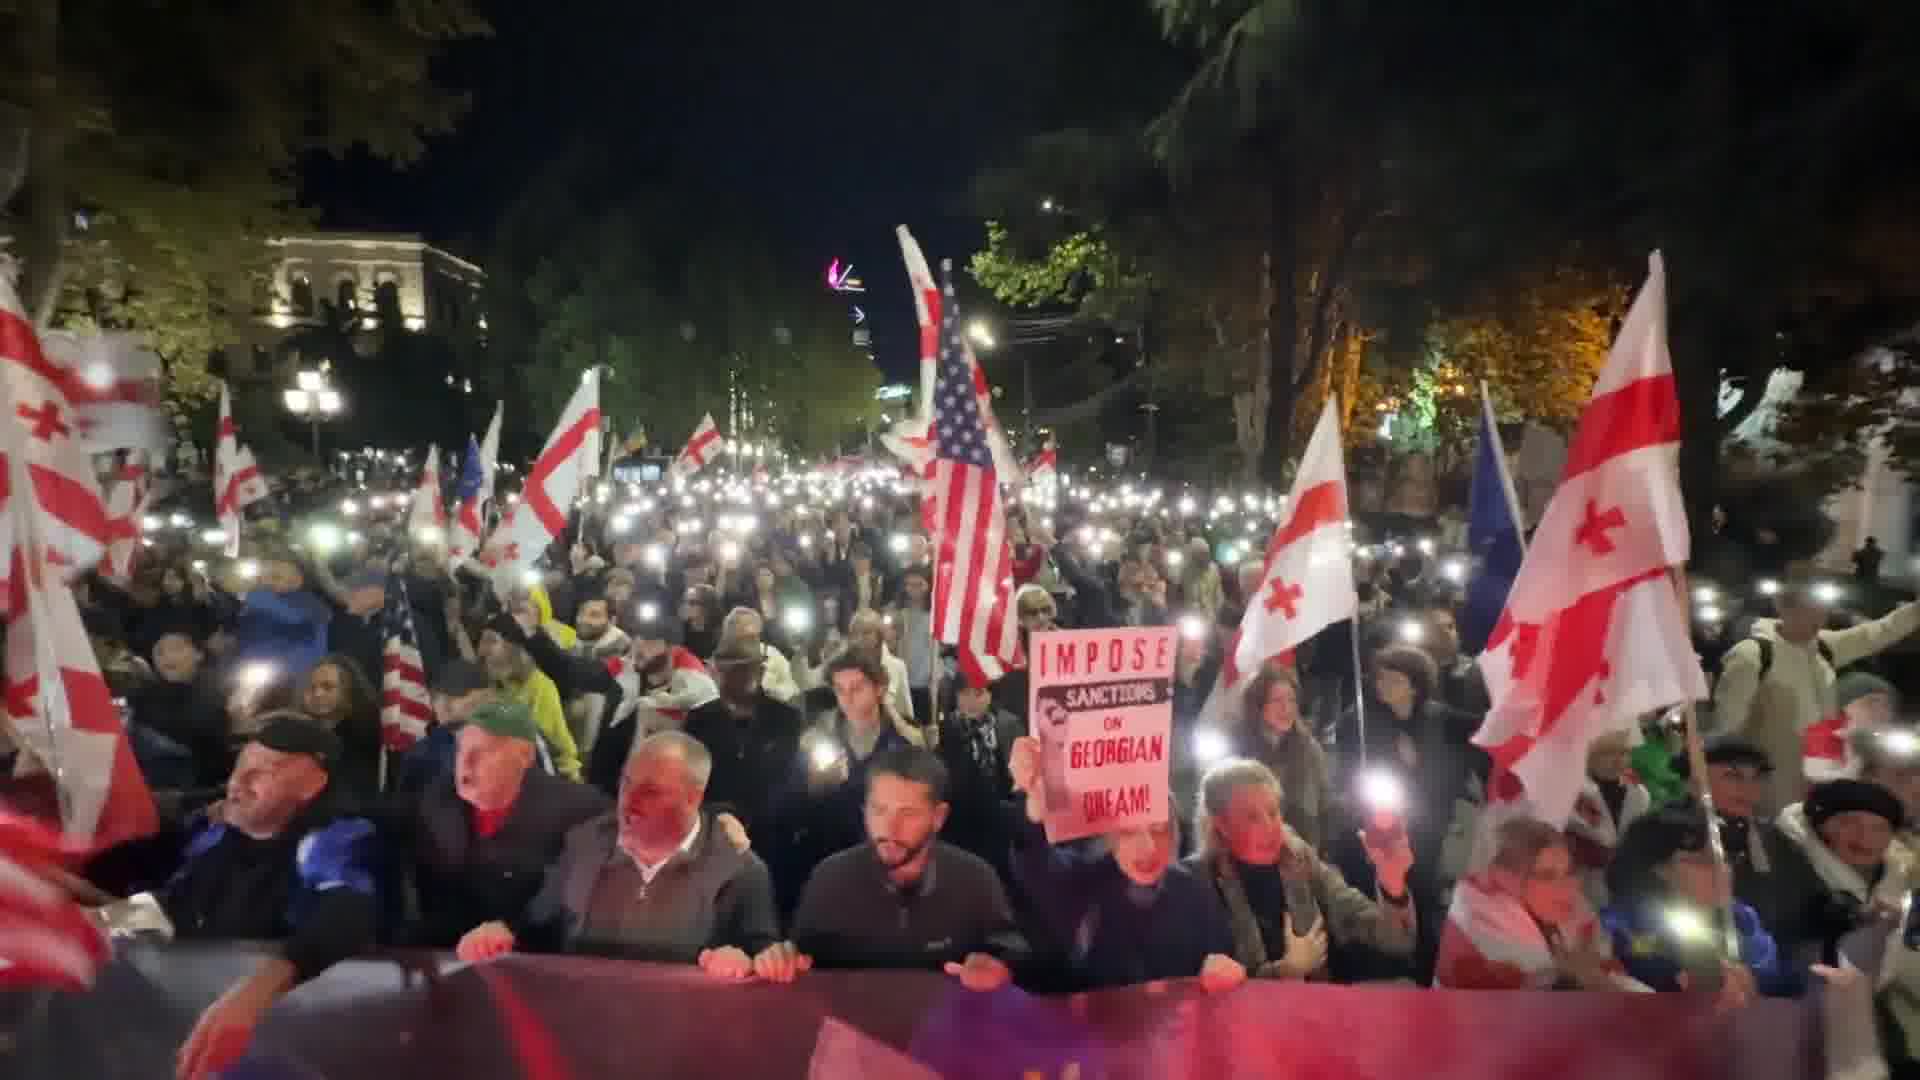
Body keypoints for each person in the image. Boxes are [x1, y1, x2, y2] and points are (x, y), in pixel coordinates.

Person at [138, 715, 380, 1079]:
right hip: (192, 1027)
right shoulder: (219, 832)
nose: (239, 783)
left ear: (312, 785)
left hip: (296, 1043)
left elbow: (346, 911)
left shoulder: (333, 838)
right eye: (239, 767)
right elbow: (172, 902)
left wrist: (260, 989)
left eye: (263, 773)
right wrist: (93, 916)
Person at [454, 731, 785, 977]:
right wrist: (501, 937)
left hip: (685, 1043)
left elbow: (768, 960)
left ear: (693, 798)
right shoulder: (584, 844)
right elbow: (537, 926)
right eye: (627, 783)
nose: (629, 802)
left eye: (651, 792)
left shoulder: (740, 870)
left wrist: (746, 965)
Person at [1007, 736, 1247, 993]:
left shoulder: (1195, 890)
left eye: (1159, 829)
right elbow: (1033, 859)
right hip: (1095, 1029)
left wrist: (1226, 969)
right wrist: (1033, 802)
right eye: (1129, 831)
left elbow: (1223, 956)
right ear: (1108, 835)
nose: (1148, 847)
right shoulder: (1080, 883)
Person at [790, 747, 1027, 988]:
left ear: (938, 817)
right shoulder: (830, 879)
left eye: (908, 814)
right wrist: (783, 959)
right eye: (879, 810)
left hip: (947, 1022)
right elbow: (798, 963)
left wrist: (1001, 967)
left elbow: (1014, 954)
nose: (890, 829)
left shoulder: (975, 880)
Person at [1188, 758, 1415, 981]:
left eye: (1273, 812)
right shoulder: (1199, 881)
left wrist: (1392, 885)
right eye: (1252, 817)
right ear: (1222, 825)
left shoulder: (1299, 857)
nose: (1271, 828)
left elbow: (1395, 941)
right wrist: (1284, 972)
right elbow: (1206, 985)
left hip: (1315, 1008)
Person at [404, 701, 608, 947]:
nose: (464, 768)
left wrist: (514, 934)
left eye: (482, 753)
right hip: (446, 958)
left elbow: (571, 906)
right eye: (460, 750)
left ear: (524, 755)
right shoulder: (434, 802)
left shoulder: (581, 811)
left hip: (535, 961)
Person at [1715, 581, 1920, 812]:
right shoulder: (1752, 655)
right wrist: (1732, 784)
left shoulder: (1822, 647)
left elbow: (1878, 632)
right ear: (1783, 608)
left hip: (1820, 774)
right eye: (1808, 610)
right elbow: (1727, 728)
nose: (1817, 619)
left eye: (1822, 611)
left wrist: (1915, 609)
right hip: (1769, 783)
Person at [1600, 806, 1798, 1001]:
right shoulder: (1623, 920)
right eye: (1702, 861)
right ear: (1659, 869)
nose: (1722, 869)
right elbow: (1628, 945)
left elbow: (1772, 974)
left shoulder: (1742, 916)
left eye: (1725, 858)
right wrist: (1672, 946)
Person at [1434, 818, 1636, 990]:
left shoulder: (1577, 916)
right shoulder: (1476, 926)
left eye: (1569, 872)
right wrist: (1583, 977)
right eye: (1547, 876)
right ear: (1509, 879)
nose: (1568, 887)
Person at [1694, 734, 1831, 967]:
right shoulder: (1662, 833)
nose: (1748, 789)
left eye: (1757, 778)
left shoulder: (1772, 838)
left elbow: (1812, 899)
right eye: (1732, 777)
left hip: (1772, 974)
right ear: (1696, 779)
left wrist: (1847, 913)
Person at [1775, 778, 1913, 949]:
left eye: (1879, 828)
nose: (1865, 837)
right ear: (1820, 825)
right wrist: (1858, 918)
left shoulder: (1898, 880)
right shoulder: (1786, 872)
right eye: (1850, 822)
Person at [1226, 666, 1332, 851]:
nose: (1286, 708)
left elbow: (1325, 802)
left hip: (1302, 853)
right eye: (1277, 700)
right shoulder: (1236, 750)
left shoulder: (1308, 747)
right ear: (1258, 705)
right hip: (1251, 850)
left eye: (1291, 700)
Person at [477, 618, 584, 781]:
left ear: (514, 646)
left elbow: (547, 750)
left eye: (492, 640)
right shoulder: (490, 684)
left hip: (547, 775)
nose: (482, 649)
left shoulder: (540, 687)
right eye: (482, 640)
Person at [1566, 729, 1651, 908]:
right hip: (1581, 890)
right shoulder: (1569, 792)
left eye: (1624, 752)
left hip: (1626, 891)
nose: (1619, 761)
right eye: (1608, 753)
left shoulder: (1638, 792)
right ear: (1588, 752)